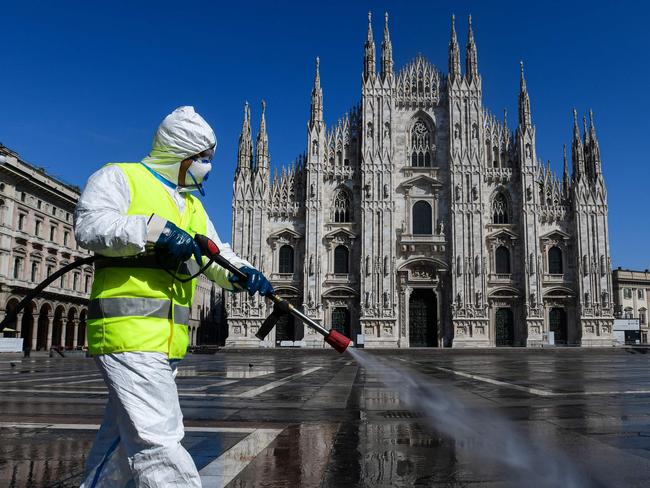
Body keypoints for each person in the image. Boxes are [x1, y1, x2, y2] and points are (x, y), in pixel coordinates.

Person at [75, 106, 273, 487]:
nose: (208, 168)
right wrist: (152, 230)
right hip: (127, 334)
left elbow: (214, 253)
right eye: (203, 159)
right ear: (180, 153)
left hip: (165, 343)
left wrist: (243, 274)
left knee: (118, 443)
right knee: (160, 441)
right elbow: (90, 225)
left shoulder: (190, 205)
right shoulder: (120, 177)